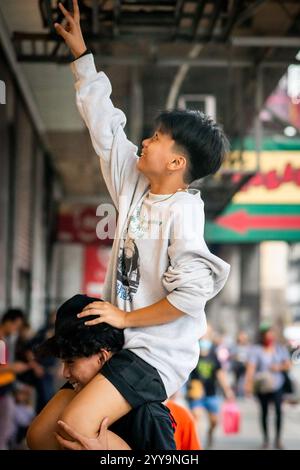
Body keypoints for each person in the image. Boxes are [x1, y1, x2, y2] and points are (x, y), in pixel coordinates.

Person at [53, 0, 230, 443]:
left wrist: (124, 318)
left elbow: (190, 295)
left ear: (175, 161)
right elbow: (107, 130)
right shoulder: (134, 185)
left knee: (75, 431)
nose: (144, 142)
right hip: (122, 348)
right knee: (42, 436)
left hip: (157, 356)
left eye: (154, 138)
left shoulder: (185, 211)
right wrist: (81, 56)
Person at [26, 294, 176, 450]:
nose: (65, 373)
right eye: (63, 363)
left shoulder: (147, 414)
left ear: (102, 357)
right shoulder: (73, 398)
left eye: (70, 362)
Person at [244, 325, 291, 450]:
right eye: (266, 335)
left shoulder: (280, 349)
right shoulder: (256, 350)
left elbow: (288, 364)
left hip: (277, 384)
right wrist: (248, 384)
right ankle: (266, 439)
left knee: (278, 411)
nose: (268, 337)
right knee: (264, 412)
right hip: (262, 386)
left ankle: (278, 439)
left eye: (270, 334)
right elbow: (251, 368)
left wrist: (278, 367)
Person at [186, 337, 235, 449]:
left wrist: (227, 390)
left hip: (211, 393)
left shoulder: (213, 356)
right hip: (196, 394)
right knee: (195, 417)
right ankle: (195, 445)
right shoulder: (193, 355)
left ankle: (210, 434)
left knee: (214, 421)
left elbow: (220, 374)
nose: (204, 342)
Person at [0, 309, 29, 449]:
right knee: (5, 425)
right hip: (2, 389)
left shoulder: (5, 340)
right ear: (7, 322)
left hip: (6, 387)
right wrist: (14, 367)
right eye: (15, 326)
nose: (15, 330)